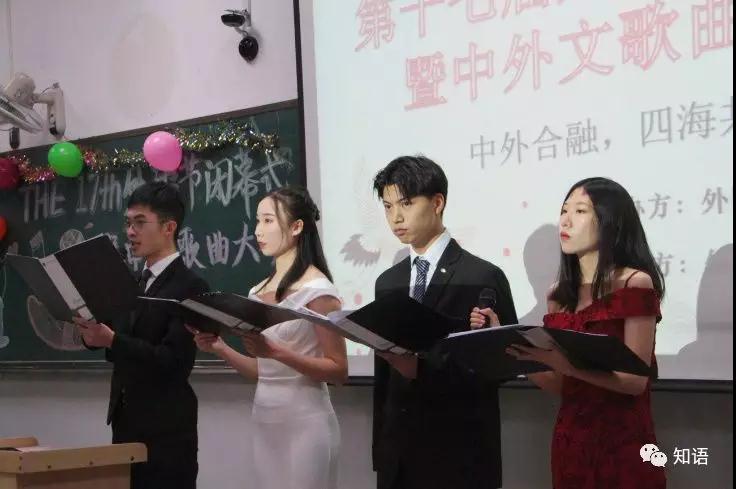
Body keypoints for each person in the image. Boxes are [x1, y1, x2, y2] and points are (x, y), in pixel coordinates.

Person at [473, 177, 667, 488]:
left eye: (580, 211)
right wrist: (506, 342)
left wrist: (567, 366)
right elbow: (560, 385)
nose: (565, 220)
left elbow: (634, 382)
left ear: (609, 221)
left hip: (624, 443)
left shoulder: (635, 282)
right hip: (571, 441)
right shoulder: (559, 294)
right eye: (563, 211)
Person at [372, 155, 518, 489]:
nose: (395, 217)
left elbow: (506, 368)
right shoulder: (387, 282)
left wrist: (424, 367)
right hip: (398, 456)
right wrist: (381, 451)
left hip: (460, 453)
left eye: (406, 203)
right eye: (388, 206)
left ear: (437, 203)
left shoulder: (482, 276)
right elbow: (384, 377)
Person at [191, 186, 347, 489]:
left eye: (268, 221)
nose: (257, 231)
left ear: (296, 227)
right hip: (264, 419)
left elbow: (339, 370)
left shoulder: (318, 290)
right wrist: (220, 348)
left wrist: (276, 352)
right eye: (257, 221)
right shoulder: (256, 291)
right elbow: (263, 372)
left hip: (306, 421)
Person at [74, 181, 209, 489]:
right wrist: (89, 332)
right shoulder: (130, 281)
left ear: (169, 227)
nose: (130, 232)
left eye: (139, 223)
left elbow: (174, 361)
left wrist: (112, 340)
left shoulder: (190, 286)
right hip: (126, 420)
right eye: (128, 223)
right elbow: (112, 331)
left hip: (167, 429)